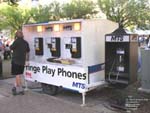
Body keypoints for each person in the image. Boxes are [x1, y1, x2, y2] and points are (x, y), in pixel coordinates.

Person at [10, 30, 30, 95]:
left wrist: (14, 40)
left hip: (15, 61)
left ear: (16, 35)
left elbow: (11, 47)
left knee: (17, 75)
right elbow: (28, 52)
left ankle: (20, 89)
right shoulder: (25, 42)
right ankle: (14, 87)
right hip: (22, 62)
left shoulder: (16, 41)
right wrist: (27, 60)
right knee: (18, 75)